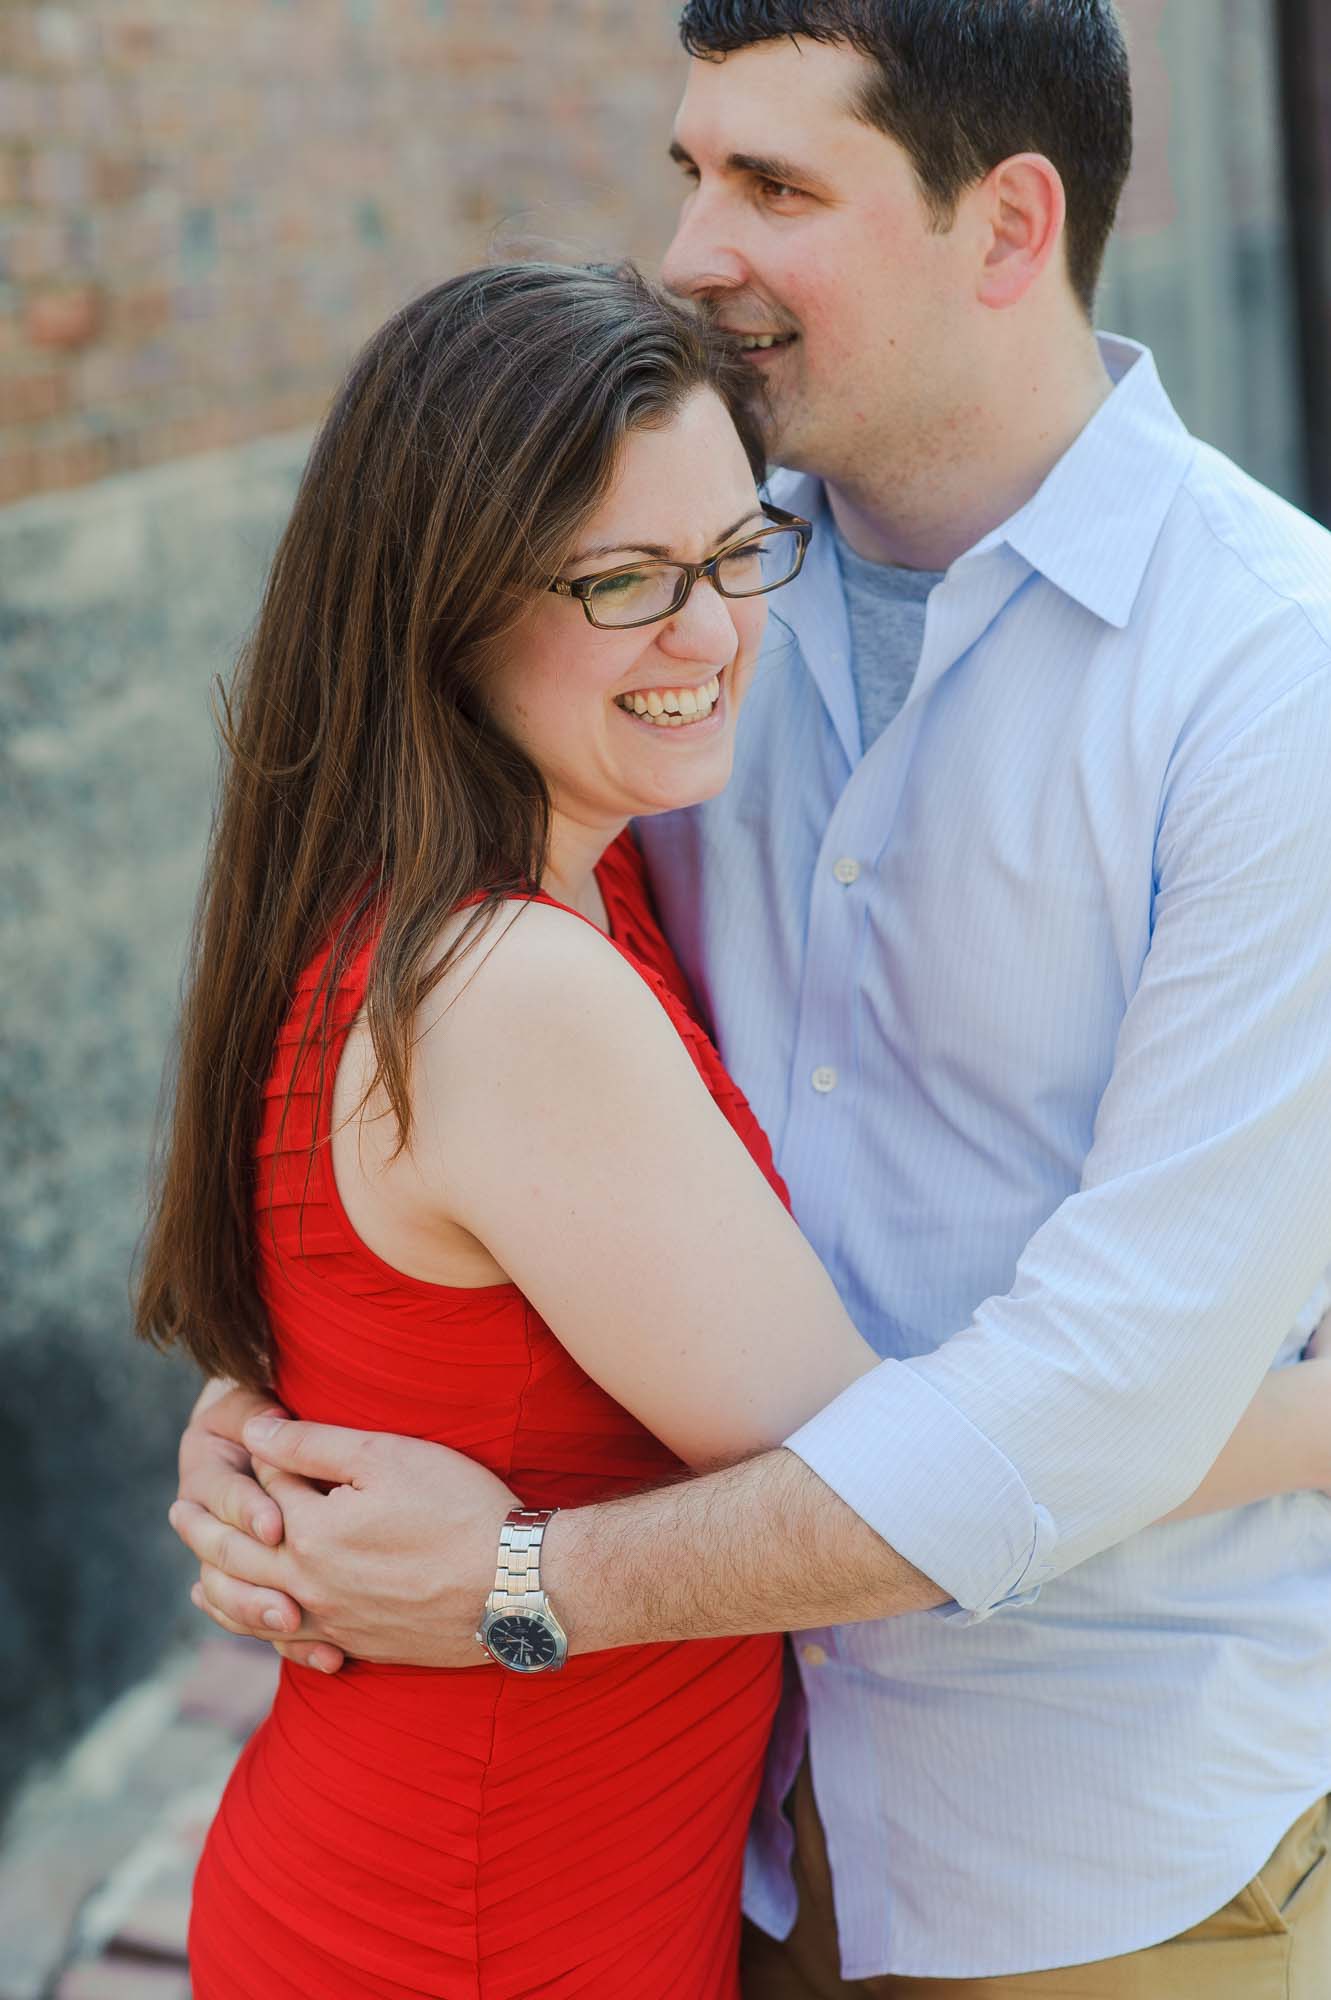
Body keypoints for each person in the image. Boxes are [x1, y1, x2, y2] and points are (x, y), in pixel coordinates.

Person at [169, 4, 1331, 1996]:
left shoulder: (1268, 680)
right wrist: (303, 1406)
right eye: (690, 171)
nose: (696, 247)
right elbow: (484, 1132)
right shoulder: (683, 593)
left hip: (1089, 1843)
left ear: (1006, 224)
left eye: (776, 185)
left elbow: (1104, 1386)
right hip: (723, 1844)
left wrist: (523, 1580)